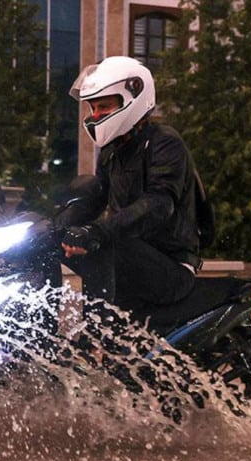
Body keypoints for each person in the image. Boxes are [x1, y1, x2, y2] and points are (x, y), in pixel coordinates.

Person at [60, 55, 203, 314]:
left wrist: (97, 232)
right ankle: (36, 335)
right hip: (131, 257)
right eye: (93, 108)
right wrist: (54, 225)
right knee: (46, 245)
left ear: (132, 98)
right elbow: (94, 198)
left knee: (103, 241)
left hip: (171, 266)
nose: (95, 116)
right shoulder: (111, 152)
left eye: (103, 107)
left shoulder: (165, 143)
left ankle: (97, 340)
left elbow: (159, 203)